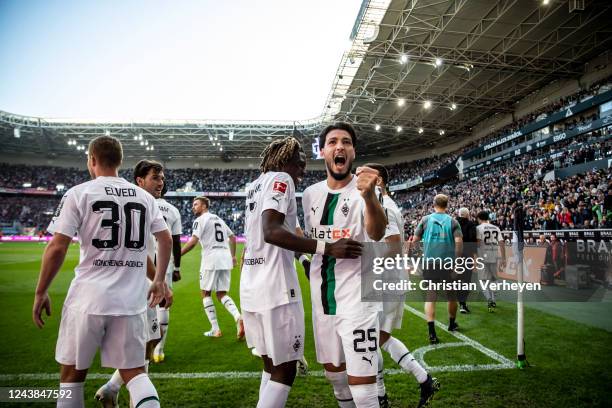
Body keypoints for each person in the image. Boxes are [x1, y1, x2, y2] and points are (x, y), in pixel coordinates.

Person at [32, 136, 172, 408]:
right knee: (136, 374)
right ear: (119, 161)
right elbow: (164, 239)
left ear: (92, 160)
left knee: (72, 378)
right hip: (130, 303)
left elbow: (57, 247)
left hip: (88, 299)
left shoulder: (79, 193)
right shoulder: (144, 197)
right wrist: (158, 281)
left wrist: (41, 291)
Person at [242, 135, 362, 408]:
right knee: (286, 370)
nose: (302, 170)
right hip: (277, 288)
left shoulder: (254, 186)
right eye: (300, 163)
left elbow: (277, 233)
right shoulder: (280, 180)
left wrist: (306, 260)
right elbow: (271, 231)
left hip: (252, 285)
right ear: (285, 159)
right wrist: (327, 247)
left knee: (271, 366)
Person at [302, 123, 388, 408]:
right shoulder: (310, 195)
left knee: (363, 388)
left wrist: (370, 197)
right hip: (322, 300)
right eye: (333, 142)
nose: (340, 146)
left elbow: (376, 233)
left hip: (359, 299)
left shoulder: (365, 189)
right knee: (335, 378)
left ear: (353, 151)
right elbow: (309, 241)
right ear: (323, 150)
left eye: (347, 142)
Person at [95, 159, 178, 405]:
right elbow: (141, 251)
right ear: (140, 180)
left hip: (138, 283)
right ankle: (124, 393)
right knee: (142, 347)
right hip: (136, 285)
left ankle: (111, 388)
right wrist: (159, 281)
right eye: (155, 177)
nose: (160, 182)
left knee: (149, 342)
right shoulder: (139, 203)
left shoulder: (145, 204)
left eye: (162, 178)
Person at [363, 163, 439, 408]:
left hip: (387, 280)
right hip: (389, 279)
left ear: (380, 181)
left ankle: (383, 394)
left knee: (370, 339)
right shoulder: (382, 204)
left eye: (367, 176)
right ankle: (422, 381)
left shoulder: (383, 204)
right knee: (378, 338)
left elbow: (394, 245)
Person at [182, 196, 243, 339]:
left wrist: (177, 255)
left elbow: (192, 242)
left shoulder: (200, 220)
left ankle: (216, 329)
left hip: (211, 259)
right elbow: (233, 237)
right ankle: (238, 317)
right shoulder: (219, 219)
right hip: (225, 258)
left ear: (204, 206)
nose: (193, 207)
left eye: (195, 204)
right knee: (222, 294)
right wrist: (233, 256)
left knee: (205, 293)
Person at [409, 194, 463, 344]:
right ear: (447, 205)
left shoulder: (425, 220)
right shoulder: (453, 222)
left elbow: (414, 241)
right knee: (451, 295)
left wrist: (419, 255)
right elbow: (459, 243)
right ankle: (452, 324)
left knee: (430, 296)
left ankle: (432, 333)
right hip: (448, 263)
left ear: (433, 204)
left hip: (430, 263)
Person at [152, 183, 183, 362]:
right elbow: (176, 242)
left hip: (144, 257)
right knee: (163, 302)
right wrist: (177, 267)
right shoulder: (173, 210)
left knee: (143, 302)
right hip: (166, 260)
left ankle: (142, 345)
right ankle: (159, 349)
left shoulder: (143, 203)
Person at [476, 211, 506, 312]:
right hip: (494, 255)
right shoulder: (496, 228)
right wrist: (503, 257)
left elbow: (478, 243)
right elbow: (501, 242)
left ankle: (489, 299)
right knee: (493, 279)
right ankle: (494, 300)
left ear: (479, 218)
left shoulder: (478, 228)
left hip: (483, 256)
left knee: (483, 280)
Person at [456, 208, 478, 314]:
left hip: (453, 255)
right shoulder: (471, 224)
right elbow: (473, 239)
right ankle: (462, 303)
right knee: (466, 279)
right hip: (466, 255)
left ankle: (457, 300)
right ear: (468, 215)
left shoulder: (452, 223)